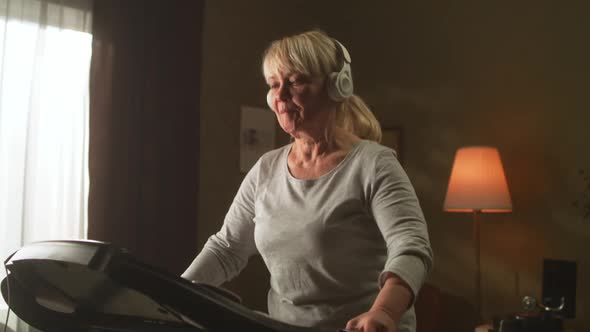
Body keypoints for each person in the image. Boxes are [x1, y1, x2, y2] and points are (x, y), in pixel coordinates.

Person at [182, 30, 433, 332]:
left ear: (337, 87)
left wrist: (385, 313)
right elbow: (227, 248)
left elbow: (411, 247)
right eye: (274, 85)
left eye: (295, 81)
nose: (281, 95)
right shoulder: (266, 169)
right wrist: (170, 294)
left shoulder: (374, 164)